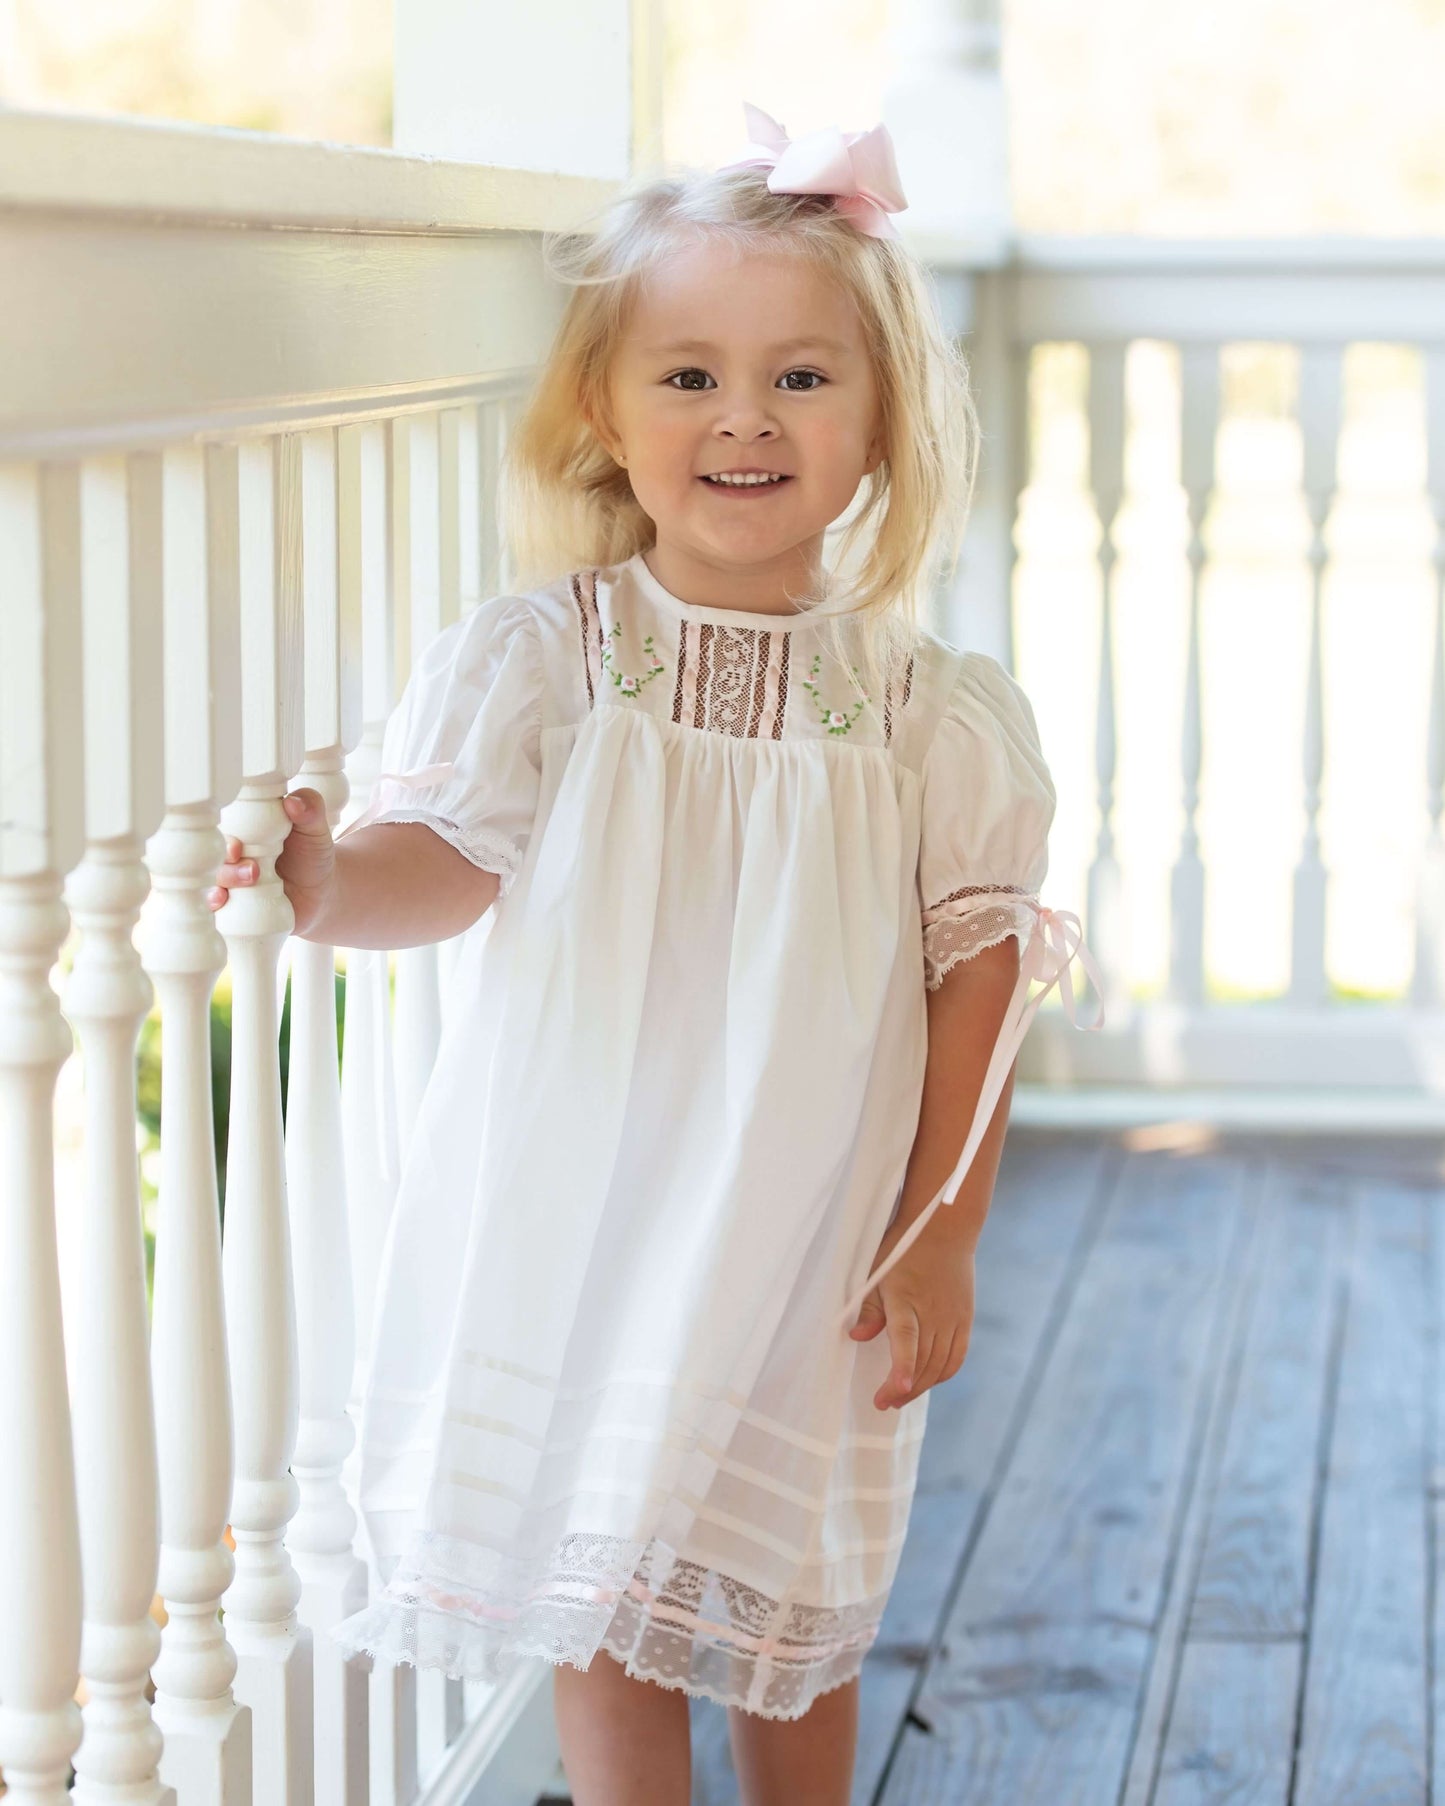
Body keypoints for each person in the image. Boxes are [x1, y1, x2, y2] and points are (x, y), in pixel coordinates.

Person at [208, 100, 1103, 1806]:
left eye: (800, 376)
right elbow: (445, 866)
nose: (743, 418)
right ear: (606, 417)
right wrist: (325, 880)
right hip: (589, 1212)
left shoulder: (921, 710)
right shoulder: (551, 659)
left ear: (882, 423)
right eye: (687, 375)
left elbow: (977, 982)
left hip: (810, 1239)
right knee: (601, 1606)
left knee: (788, 1610)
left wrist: (943, 1233)